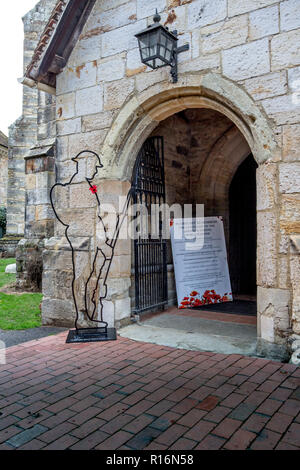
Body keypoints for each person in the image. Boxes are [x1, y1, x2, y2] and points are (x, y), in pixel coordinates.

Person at [50, 150, 131, 331]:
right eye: (94, 166)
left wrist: (103, 239)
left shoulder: (90, 187)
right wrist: (100, 242)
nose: (95, 170)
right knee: (81, 280)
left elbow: (97, 213)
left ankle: (90, 314)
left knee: (91, 280)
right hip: (82, 245)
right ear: (84, 164)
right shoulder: (67, 188)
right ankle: (81, 317)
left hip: (97, 242)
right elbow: (73, 219)